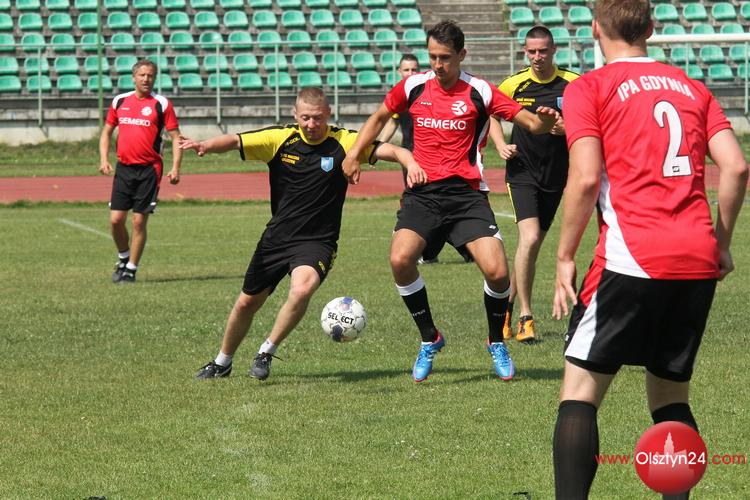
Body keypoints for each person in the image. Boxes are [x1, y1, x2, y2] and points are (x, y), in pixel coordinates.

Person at [551, 1, 748, 497]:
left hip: (631, 256)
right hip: (696, 257)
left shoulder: (589, 87)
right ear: (652, 29)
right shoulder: (693, 87)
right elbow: (736, 167)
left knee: (579, 394)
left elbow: (586, 178)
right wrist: (721, 244)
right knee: (669, 396)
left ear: (595, 29)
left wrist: (565, 256)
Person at [343, 20, 559, 382]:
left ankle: (496, 341)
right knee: (400, 260)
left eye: (445, 57)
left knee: (498, 272)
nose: (437, 64)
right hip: (423, 194)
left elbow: (528, 123)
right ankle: (430, 337)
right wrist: (353, 154)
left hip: (466, 196)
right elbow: (379, 117)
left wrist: (543, 123)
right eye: (432, 57)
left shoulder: (481, 91)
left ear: (462, 55)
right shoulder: (413, 85)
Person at [185, 87, 419, 381]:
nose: (311, 124)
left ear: (328, 114)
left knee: (301, 289)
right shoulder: (280, 139)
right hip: (276, 238)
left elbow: (393, 150)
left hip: (318, 242)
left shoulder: (345, 142)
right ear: (295, 115)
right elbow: (235, 140)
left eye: (318, 118)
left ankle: (266, 351)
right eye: (305, 117)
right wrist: (205, 145)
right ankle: (222, 362)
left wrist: (410, 163)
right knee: (246, 303)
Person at [488, 26, 579, 343]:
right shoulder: (513, 84)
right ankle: (526, 318)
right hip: (522, 172)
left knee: (532, 247)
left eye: (542, 50)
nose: (537, 56)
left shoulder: (573, 83)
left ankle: (506, 307)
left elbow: (591, 120)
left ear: (553, 50)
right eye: (532, 51)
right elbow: (491, 114)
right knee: (528, 239)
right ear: (525, 52)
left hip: (555, 175)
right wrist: (500, 144)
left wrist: (566, 128)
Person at [99, 59, 183, 284]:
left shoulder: (161, 104)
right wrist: (104, 159)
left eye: (150, 75)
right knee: (116, 220)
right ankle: (123, 257)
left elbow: (176, 137)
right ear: (134, 77)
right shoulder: (120, 101)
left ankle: (131, 270)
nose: (146, 79)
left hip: (149, 171)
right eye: (142, 75)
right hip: (124, 169)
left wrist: (176, 167)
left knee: (138, 222)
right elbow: (107, 132)